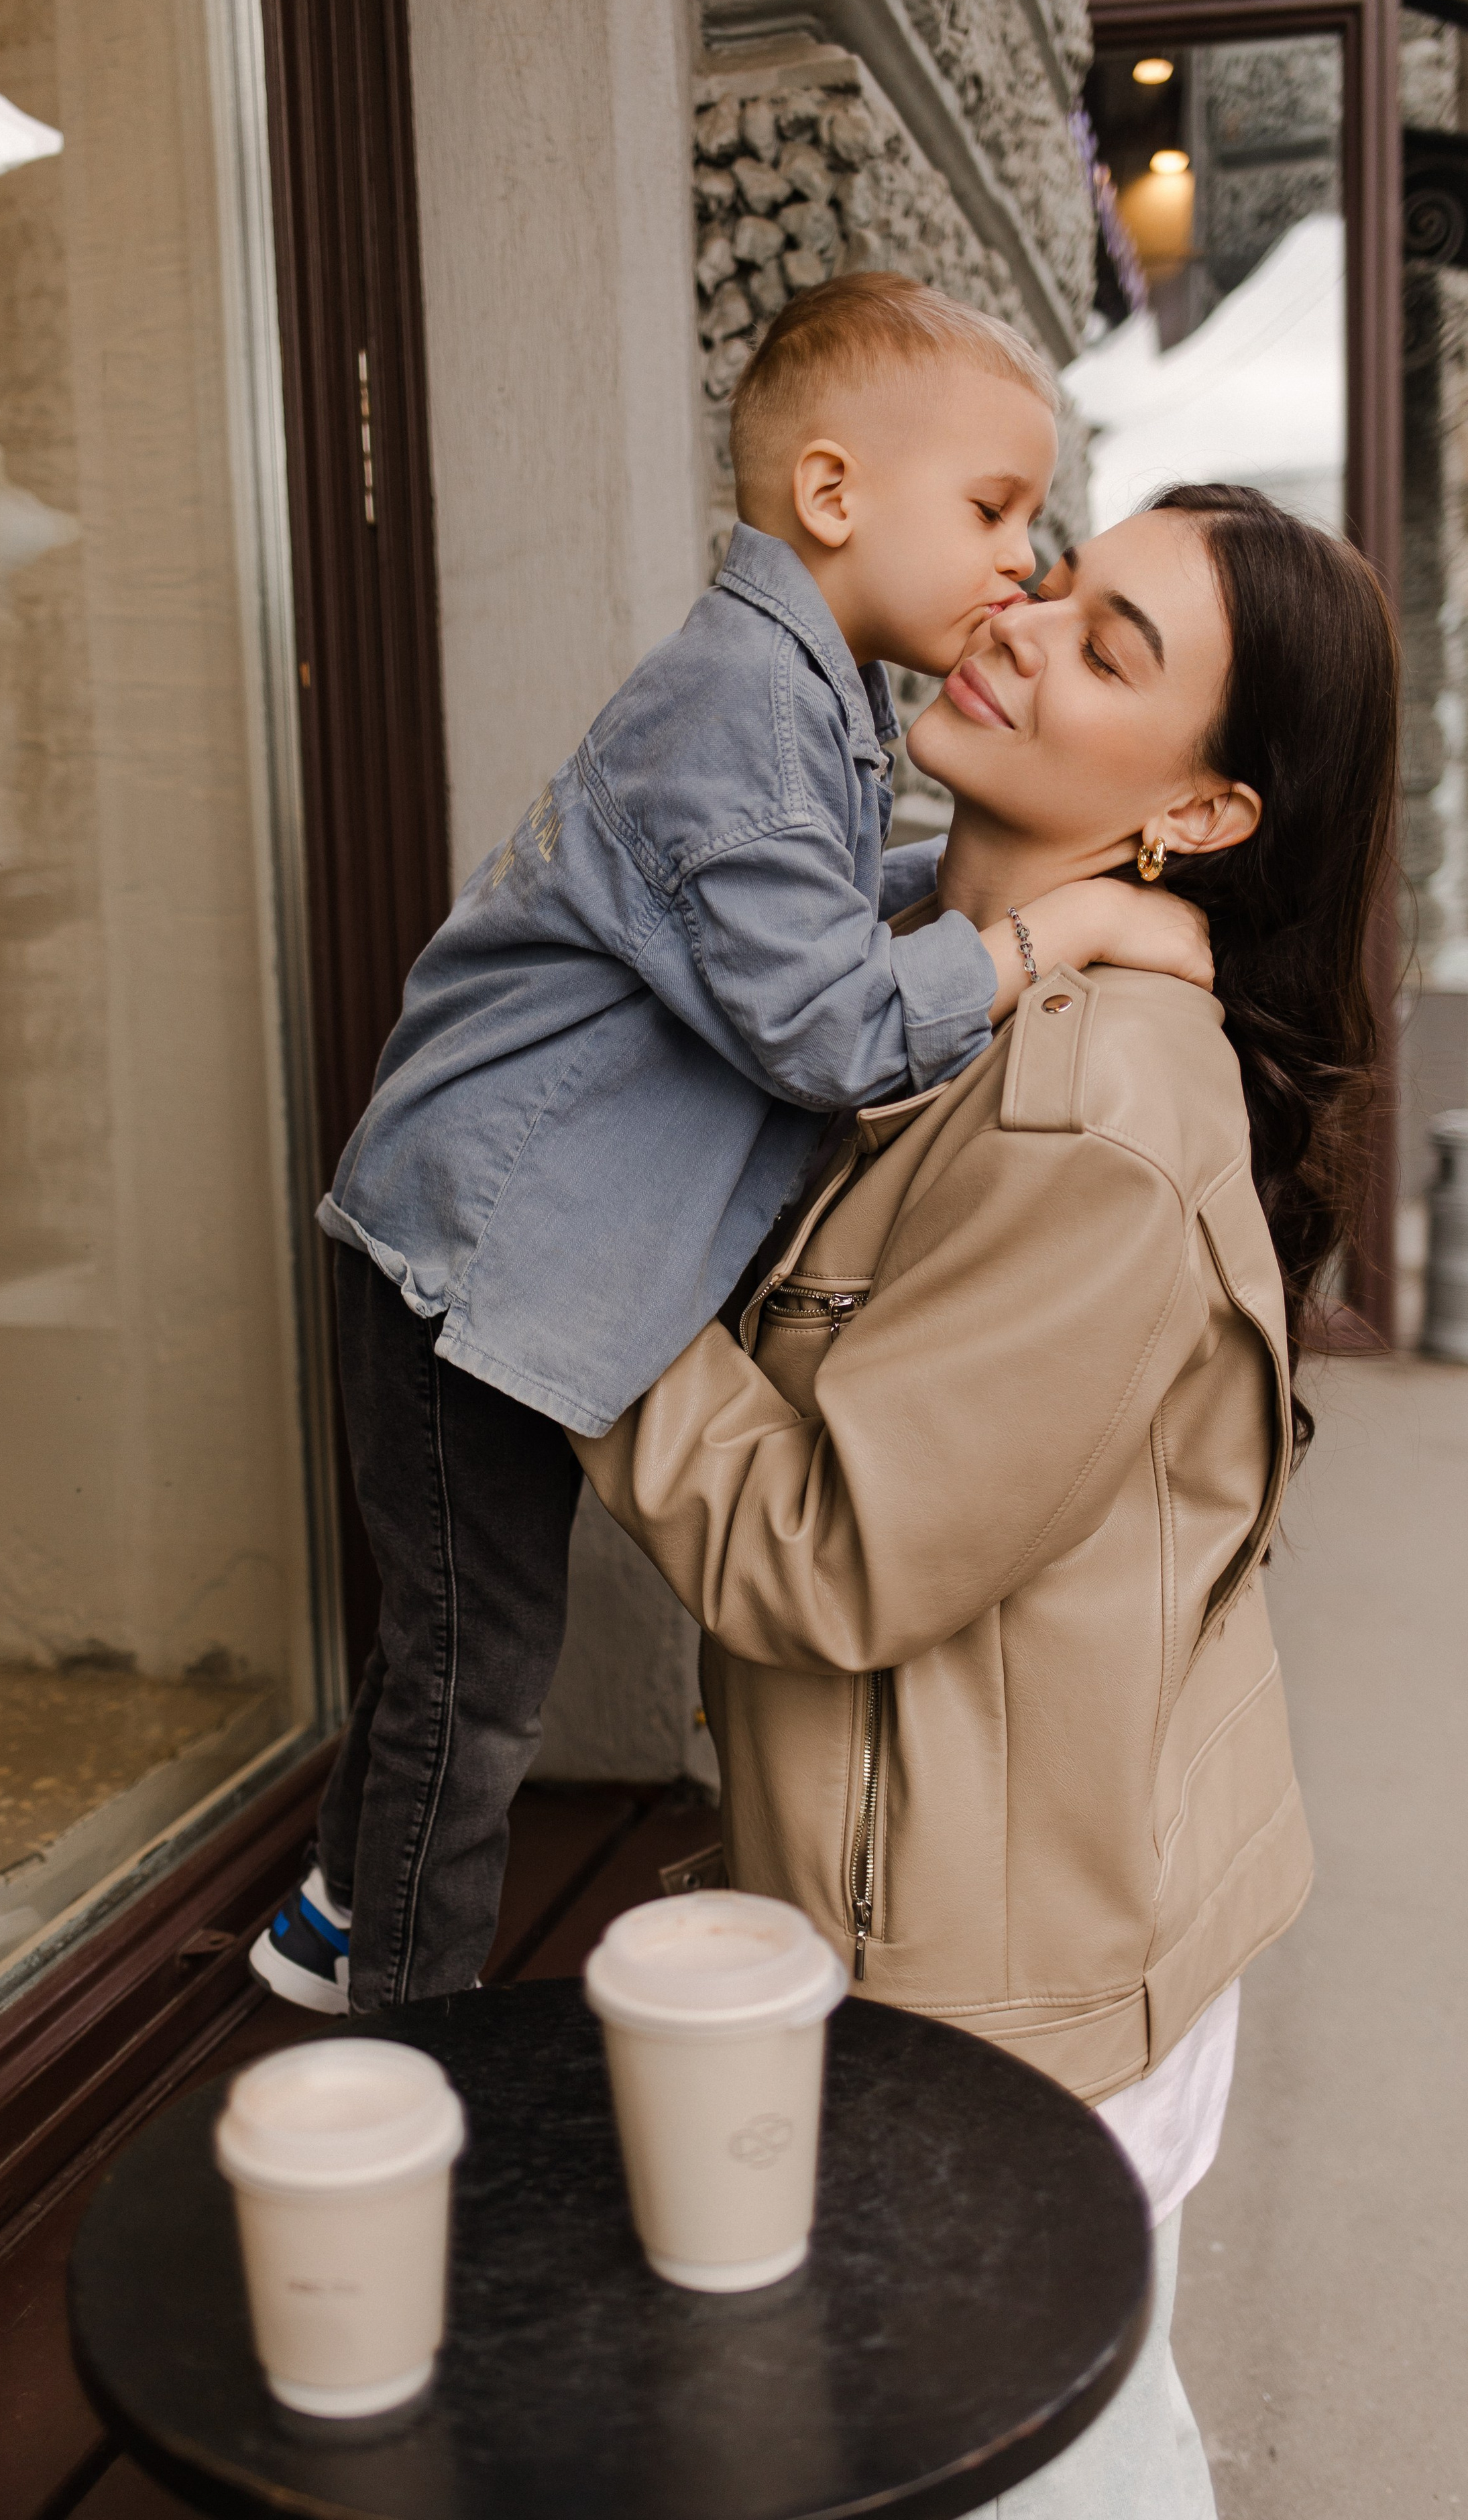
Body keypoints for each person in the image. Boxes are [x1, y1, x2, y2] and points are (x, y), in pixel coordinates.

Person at [575, 481, 1399, 2516]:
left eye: (1114, 648)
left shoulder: (1099, 1112)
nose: (1022, 624)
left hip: (999, 2000)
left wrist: (562, 1287)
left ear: (1203, 817)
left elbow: (823, 1554)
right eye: (1060, 579)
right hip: (970, 1902)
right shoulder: (908, 961)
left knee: (1030, 2476)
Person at [253, 275, 1214, 2016]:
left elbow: (816, 931)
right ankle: (403, 2038)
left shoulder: (802, 694)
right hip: (461, 1267)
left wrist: (1005, 903)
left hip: (488, 1257)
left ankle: (334, 1912)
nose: (1027, 560)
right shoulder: (737, 717)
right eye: (995, 511)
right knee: (478, 1677)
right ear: (836, 499)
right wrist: (1042, 941)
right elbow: (829, 1026)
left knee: (454, 1640)